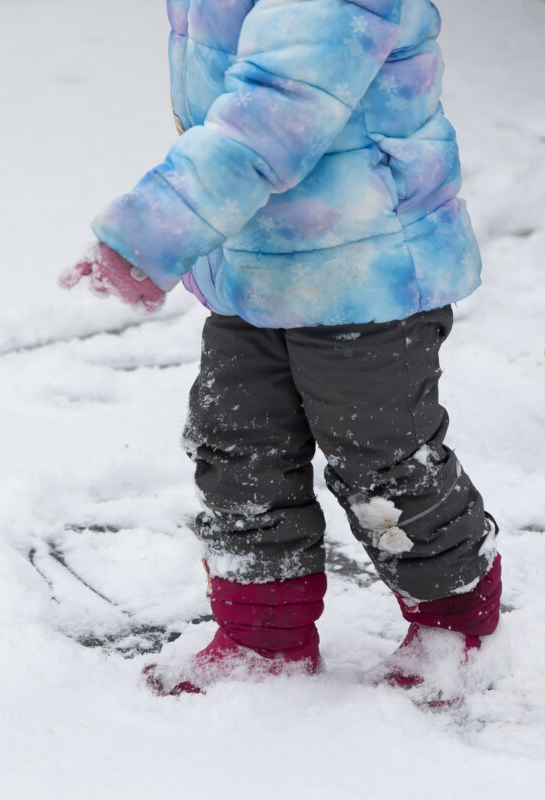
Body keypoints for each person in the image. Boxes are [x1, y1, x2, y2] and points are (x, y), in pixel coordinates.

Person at [59, 0, 501, 701]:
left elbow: (272, 114)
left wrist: (153, 229)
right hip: (257, 266)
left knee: (381, 458)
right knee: (238, 445)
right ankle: (262, 639)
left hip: (366, 271)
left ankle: (454, 624)